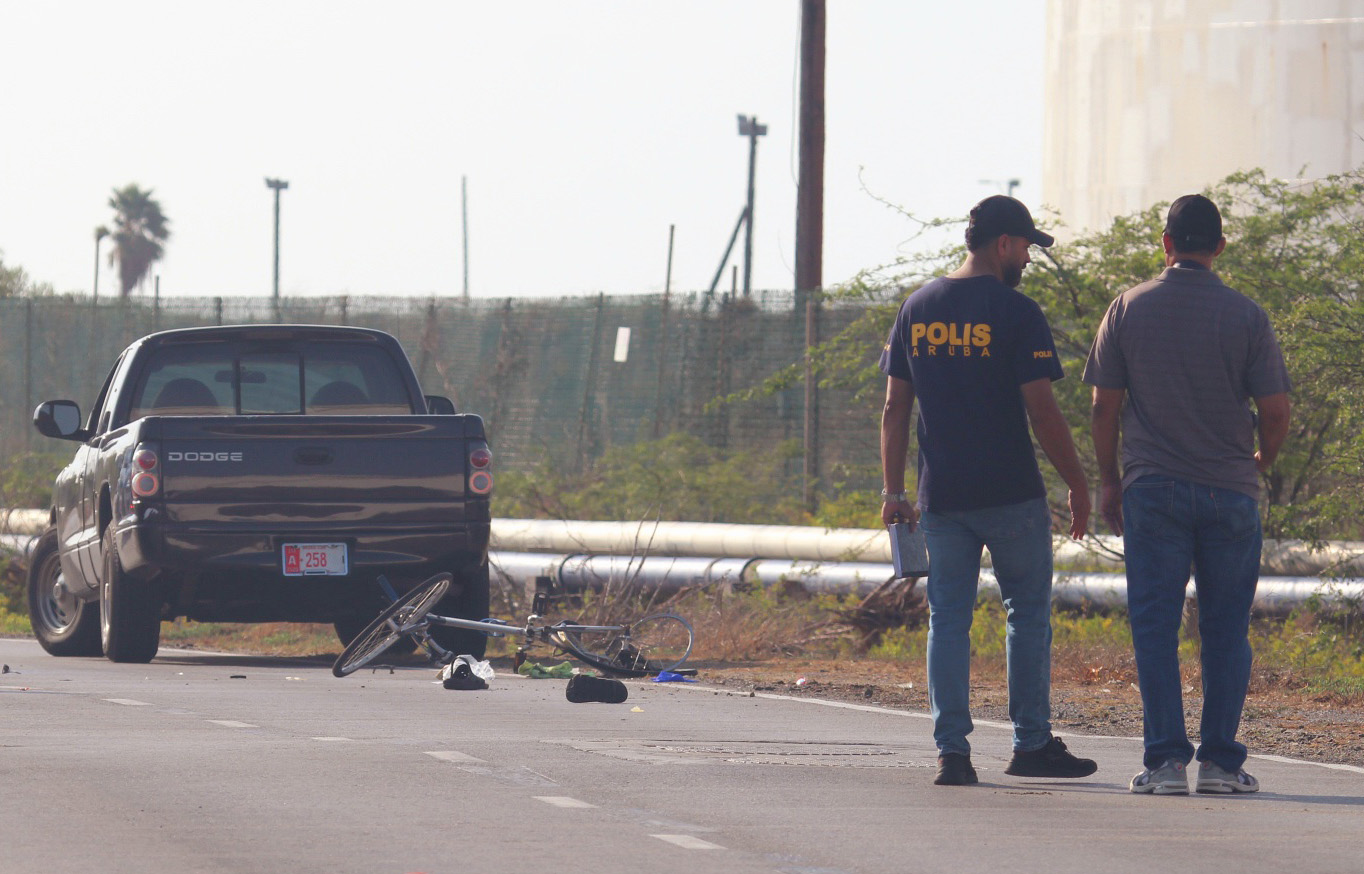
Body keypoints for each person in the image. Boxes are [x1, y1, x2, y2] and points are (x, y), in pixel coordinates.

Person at [879, 195, 1096, 786]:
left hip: (941, 497)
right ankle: (1030, 744)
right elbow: (1043, 411)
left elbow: (896, 408)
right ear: (1003, 244)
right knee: (1026, 616)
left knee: (946, 620)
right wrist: (1077, 482)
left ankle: (953, 753)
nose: (1027, 256)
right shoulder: (1015, 310)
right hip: (1011, 495)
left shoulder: (916, 307)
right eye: (1026, 246)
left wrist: (893, 490)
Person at [1083, 194, 1292, 795]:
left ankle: (1166, 763)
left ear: (1165, 243)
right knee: (1225, 630)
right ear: (1219, 247)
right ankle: (1222, 764)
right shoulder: (1247, 315)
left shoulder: (1128, 307)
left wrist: (1107, 478)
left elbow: (1102, 404)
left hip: (1153, 490)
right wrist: (1261, 460)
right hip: (1230, 492)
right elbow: (1275, 411)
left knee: (1155, 627)